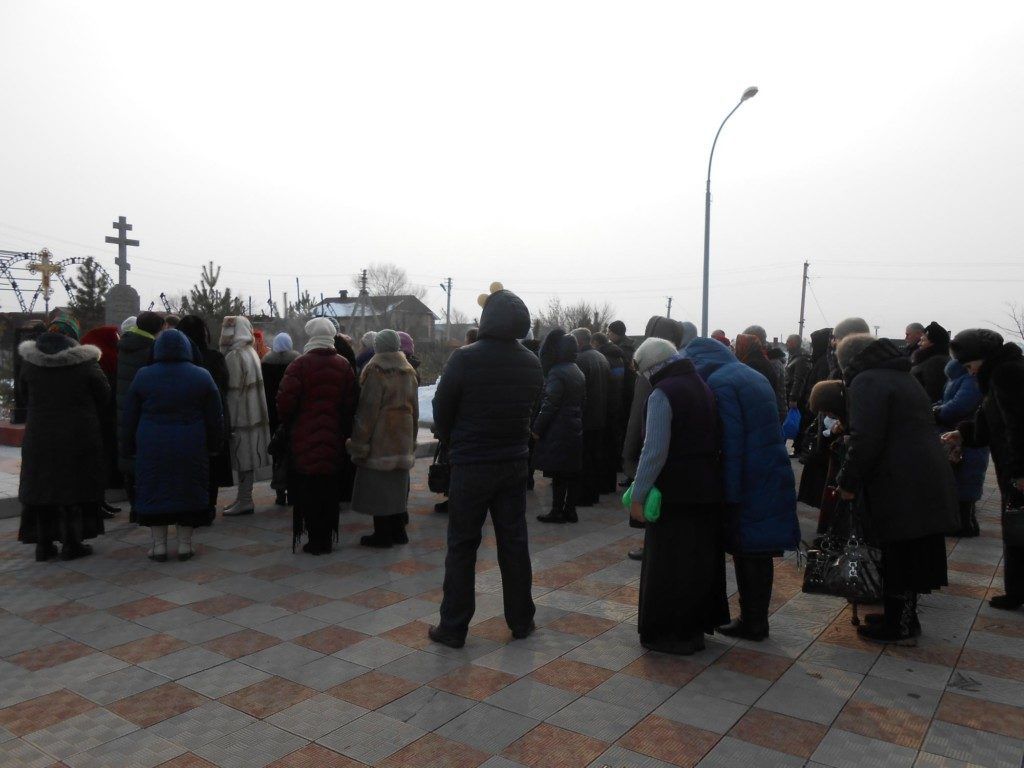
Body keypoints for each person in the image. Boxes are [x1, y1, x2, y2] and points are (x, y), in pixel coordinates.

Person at [430, 289, 543, 648]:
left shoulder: (464, 358)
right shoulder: (531, 361)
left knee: (462, 545)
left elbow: (442, 408)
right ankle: (522, 620)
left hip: (472, 464)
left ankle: (453, 627)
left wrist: (452, 440)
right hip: (513, 462)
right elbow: (533, 407)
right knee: (514, 542)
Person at [836, 334, 958, 643]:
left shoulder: (867, 381)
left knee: (899, 554)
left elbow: (865, 439)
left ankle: (899, 626)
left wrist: (847, 481)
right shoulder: (900, 375)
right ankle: (901, 617)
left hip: (899, 480)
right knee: (908, 553)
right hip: (919, 476)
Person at [684, 335, 800, 641]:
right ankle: (756, 619)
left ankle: (753, 622)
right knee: (759, 550)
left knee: (748, 550)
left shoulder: (721, 382)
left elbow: (731, 443)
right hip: (769, 470)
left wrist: (729, 493)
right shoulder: (748, 374)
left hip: (748, 477)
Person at [630, 338, 728, 654]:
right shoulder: (699, 384)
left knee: (669, 566)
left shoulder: (663, 393)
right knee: (696, 563)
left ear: (651, 367)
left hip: (675, 492)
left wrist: (638, 496)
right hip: (706, 487)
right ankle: (693, 631)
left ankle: (668, 634)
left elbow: (654, 450)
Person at [123, 329, 223, 562]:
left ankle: (158, 546)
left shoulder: (143, 376)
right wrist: (215, 444)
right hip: (191, 443)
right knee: (188, 488)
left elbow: (129, 416)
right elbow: (215, 416)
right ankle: (185, 545)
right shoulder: (201, 375)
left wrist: (127, 447)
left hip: (152, 443)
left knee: (154, 488)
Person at [18, 315, 109, 561]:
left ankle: (43, 544)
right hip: (78, 436)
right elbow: (103, 395)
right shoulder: (86, 363)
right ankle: (72, 543)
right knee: (74, 488)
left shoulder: (30, 363)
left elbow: (23, 396)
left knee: (42, 488)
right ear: (73, 336)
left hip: (39, 437)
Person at [945, 329, 1024, 610]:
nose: (971, 372)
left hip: (1015, 467)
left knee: (1018, 526)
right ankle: (1016, 590)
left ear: (982, 356)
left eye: (970, 365)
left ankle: (1017, 592)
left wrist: (1019, 472)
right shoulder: (998, 373)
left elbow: (1017, 426)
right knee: (1016, 526)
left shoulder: (1006, 374)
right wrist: (963, 433)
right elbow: (990, 420)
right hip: (1010, 465)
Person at [277, 318, 358, 554]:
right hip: (334, 436)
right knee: (329, 487)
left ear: (311, 336)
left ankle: (314, 537)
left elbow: (285, 402)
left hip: (304, 437)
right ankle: (327, 536)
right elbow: (351, 403)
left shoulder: (299, 365)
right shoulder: (344, 365)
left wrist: (291, 423)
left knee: (309, 487)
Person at [622, 316, 686, 561]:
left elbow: (637, 415)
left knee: (648, 499)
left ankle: (650, 545)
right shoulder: (679, 365)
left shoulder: (650, 367)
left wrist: (628, 452)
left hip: (648, 442)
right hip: (677, 455)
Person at [348, 330, 419, 548]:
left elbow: (368, 411)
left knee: (378, 487)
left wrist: (359, 443)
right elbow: (415, 411)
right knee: (397, 487)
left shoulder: (376, 370)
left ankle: (382, 535)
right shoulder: (408, 371)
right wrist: (412, 439)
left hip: (381, 439)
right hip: (403, 437)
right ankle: (399, 531)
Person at [177, 315, 234, 518]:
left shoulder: (176, 362)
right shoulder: (214, 358)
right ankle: (209, 507)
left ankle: (189, 506)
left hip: (184, 423)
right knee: (212, 466)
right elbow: (224, 387)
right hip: (212, 420)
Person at [220, 315, 271, 516]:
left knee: (243, 458)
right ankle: (244, 498)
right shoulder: (251, 352)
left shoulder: (235, 356)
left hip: (241, 415)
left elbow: (233, 392)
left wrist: (229, 421)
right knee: (247, 457)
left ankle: (244, 500)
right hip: (253, 413)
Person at [534, 329, 585, 524]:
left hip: (558, 428)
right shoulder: (576, 370)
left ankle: (556, 511)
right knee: (571, 472)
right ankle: (570, 510)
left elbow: (550, 404)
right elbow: (583, 400)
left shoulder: (556, 372)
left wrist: (537, 428)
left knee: (558, 473)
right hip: (574, 426)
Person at [935, 358, 988, 537]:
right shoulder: (958, 377)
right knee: (963, 480)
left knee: (964, 479)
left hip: (966, 438)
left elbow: (959, 406)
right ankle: (967, 523)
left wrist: (937, 412)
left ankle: (963, 525)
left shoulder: (970, 379)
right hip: (961, 435)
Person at [116, 311, 163, 507]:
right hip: (145, 409)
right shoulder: (151, 349)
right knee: (145, 455)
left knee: (128, 453)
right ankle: (146, 505)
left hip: (123, 406)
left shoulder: (124, 345)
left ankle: (134, 504)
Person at [81, 325, 123, 517]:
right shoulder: (101, 357)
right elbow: (104, 389)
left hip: (96, 416)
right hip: (100, 416)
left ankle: (100, 500)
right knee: (98, 459)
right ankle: (97, 503)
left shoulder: (99, 353)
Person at [572, 328, 610, 506]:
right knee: (594, 457)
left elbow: (579, 391)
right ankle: (593, 494)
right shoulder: (601, 357)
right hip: (600, 414)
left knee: (584, 459)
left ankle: (583, 496)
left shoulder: (580, 360)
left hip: (586, 417)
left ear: (579, 341)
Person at [262, 332, 300, 505]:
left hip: (273, 413)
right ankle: (293, 491)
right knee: (293, 452)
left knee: (277, 450)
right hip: (293, 413)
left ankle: (279, 492)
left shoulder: (266, 363)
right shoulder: (297, 361)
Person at [593, 331, 628, 493]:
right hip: (617, 406)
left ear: (595, 343)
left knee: (602, 448)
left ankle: (602, 485)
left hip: (604, 407)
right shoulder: (619, 358)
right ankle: (609, 484)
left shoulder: (603, 359)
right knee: (612, 447)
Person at [735, 333, 786, 423]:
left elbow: (751, 394)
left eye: (738, 346)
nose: (736, 350)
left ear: (745, 347)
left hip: (757, 415)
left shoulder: (752, 364)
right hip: (768, 410)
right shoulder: (762, 360)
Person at [910, 321, 951, 402]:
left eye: (923, 340)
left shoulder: (935, 363)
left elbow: (932, 393)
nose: (919, 343)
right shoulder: (939, 359)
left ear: (933, 343)